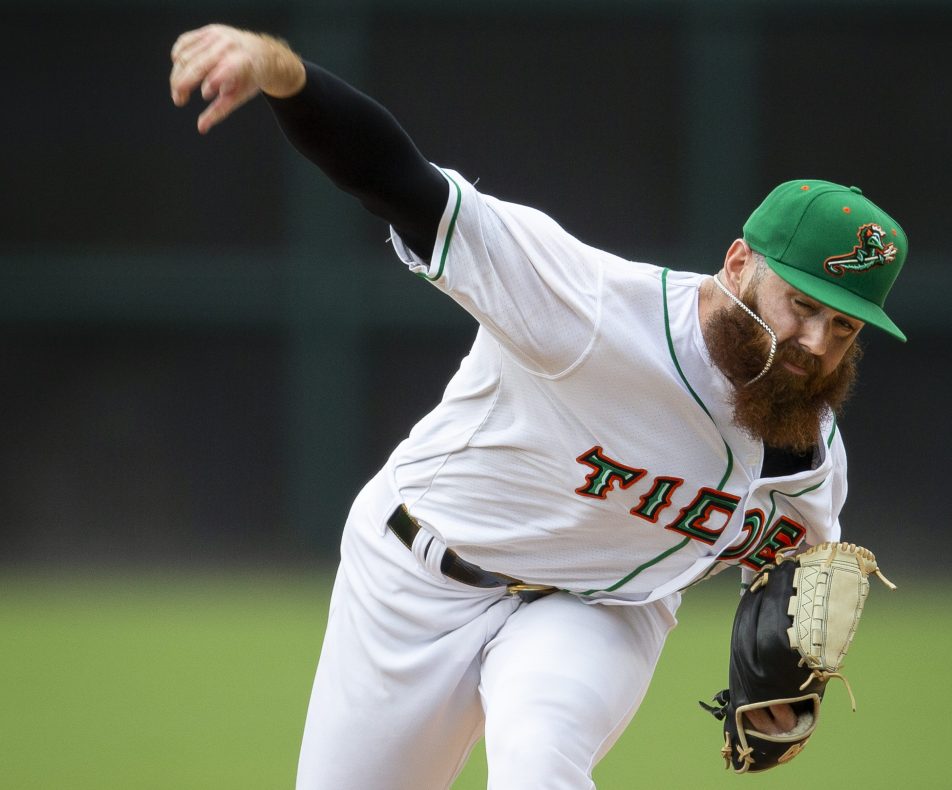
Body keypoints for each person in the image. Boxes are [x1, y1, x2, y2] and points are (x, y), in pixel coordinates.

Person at [169, 24, 908, 790]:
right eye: (801, 304)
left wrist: (792, 686)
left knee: (539, 761)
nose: (816, 343)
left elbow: (796, 566)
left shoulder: (808, 449)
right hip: (417, 574)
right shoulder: (591, 310)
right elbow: (398, 180)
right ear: (739, 264)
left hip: (596, 613)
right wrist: (286, 76)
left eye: (844, 325)